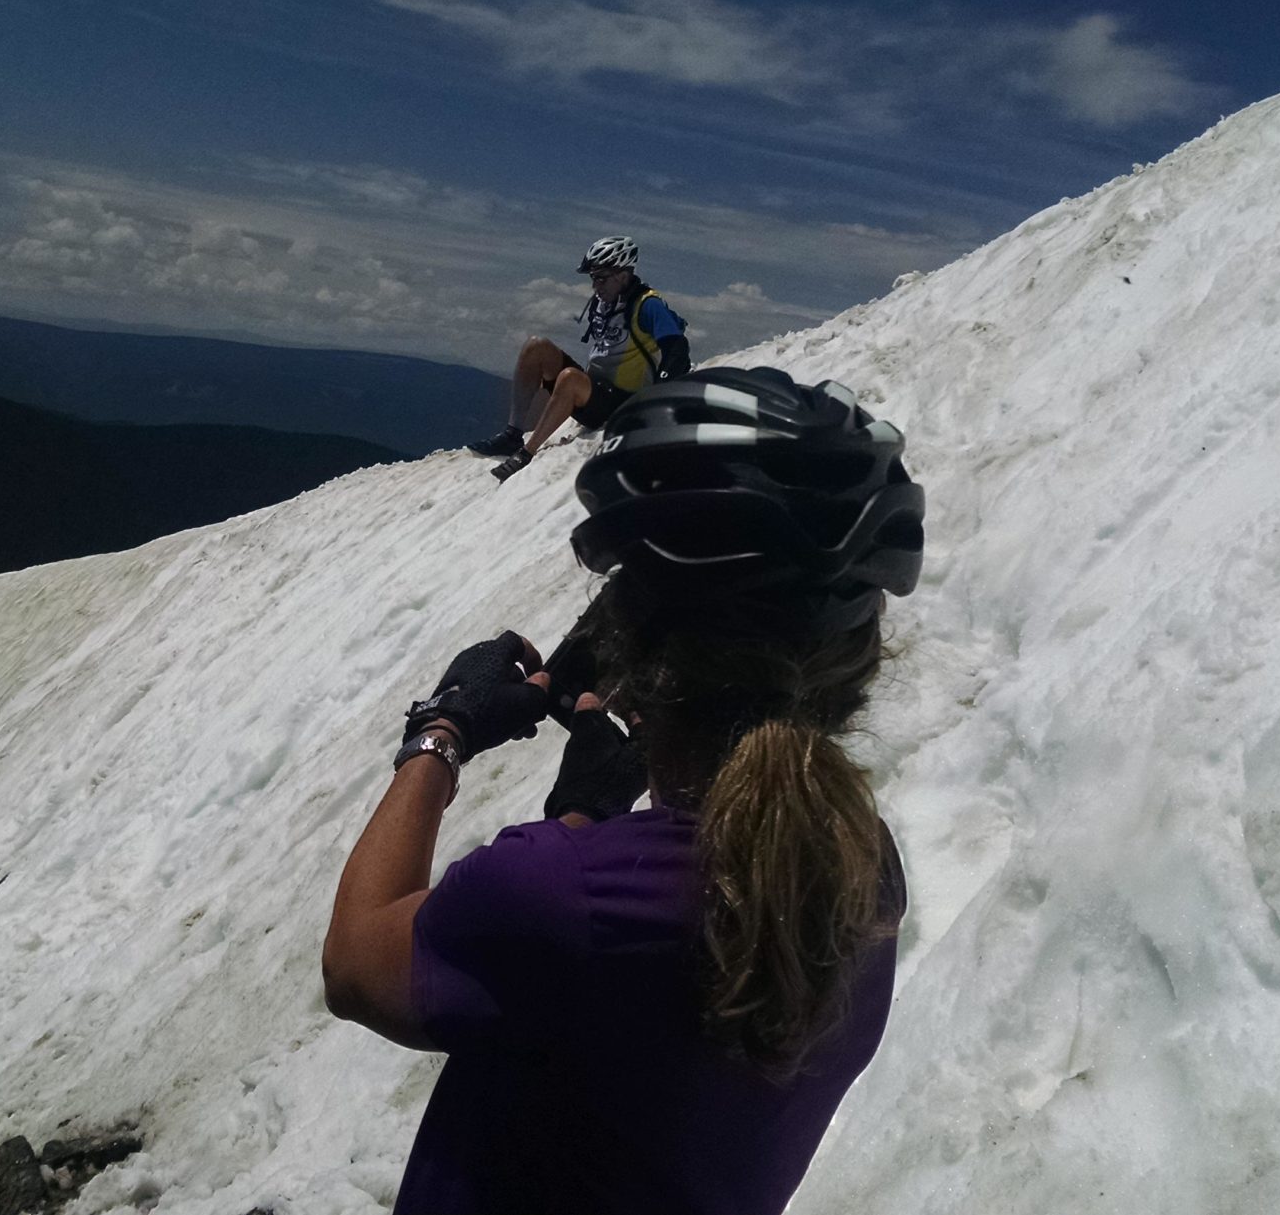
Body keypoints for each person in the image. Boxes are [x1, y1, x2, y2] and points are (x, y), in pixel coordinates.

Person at [325, 368, 926, 1214]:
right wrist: (588, 819)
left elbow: (355, 964)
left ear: (641, 643)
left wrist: (442, 730)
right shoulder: (866, 872)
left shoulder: (565, 895)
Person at [466, 235, 691, 482]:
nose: (595, 285)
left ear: (623, 274)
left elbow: (676, 348)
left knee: (570, 378)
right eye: (593, 278)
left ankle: (526, 453)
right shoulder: (605, 302)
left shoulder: (647, 305)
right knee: (536, 346)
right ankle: (512, 435)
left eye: (601, 278)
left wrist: (660, 395)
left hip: (622, 403)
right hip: (594, 392)